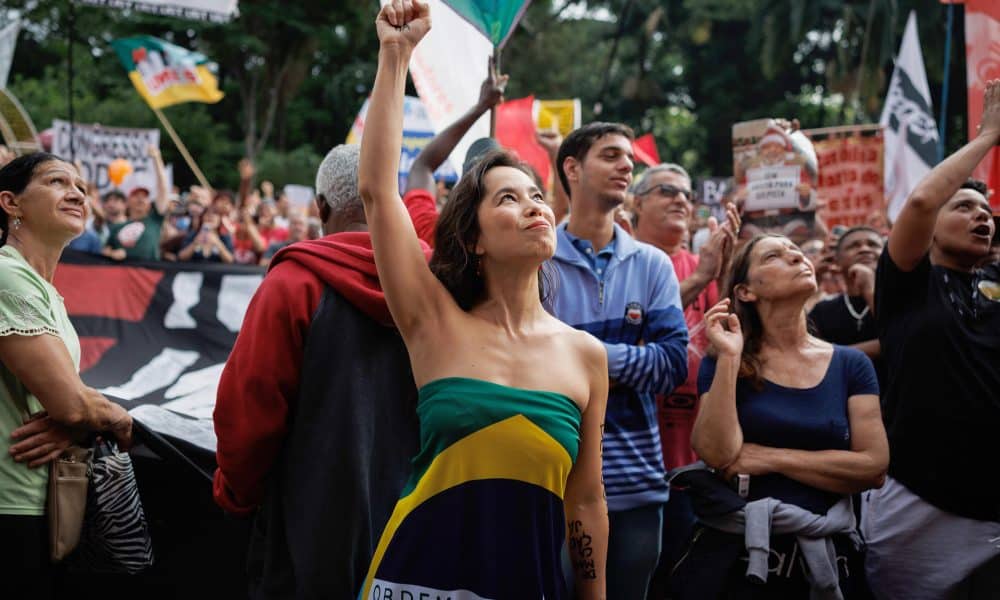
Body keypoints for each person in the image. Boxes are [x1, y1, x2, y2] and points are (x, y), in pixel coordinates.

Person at [355, 3, 609, 598]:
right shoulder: (432, 321)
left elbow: (587, 500)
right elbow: (376, 192)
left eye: (537, 195)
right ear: (472, 238)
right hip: (414, 582)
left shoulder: (586, 356)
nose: (534, 206)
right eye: (508, 199)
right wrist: (396, 55)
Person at [214, 144, 432, 598]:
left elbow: (248, 414)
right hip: (421, 525)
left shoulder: (294, 284)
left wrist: (235, 495)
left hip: (308, 535)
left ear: (322, 206)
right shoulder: (438, 280)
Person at [674, 233, 888, 598]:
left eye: (798, 252)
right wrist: (729, 358)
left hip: (829, 559)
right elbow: (716, 453)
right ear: (745, 291)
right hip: (737, 562)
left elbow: (873, 467)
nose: (796, 257)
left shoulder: (851, 364)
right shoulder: (724, 359)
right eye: (774, 255)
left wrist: (769, 457)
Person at [862, 79, 1000, 600]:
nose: (981, 216)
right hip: (922, 499)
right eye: (963, 207)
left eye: (986, 212)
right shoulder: (909, 283)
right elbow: (920, 201)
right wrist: (987, 137)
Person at [548, 121, 689, 598]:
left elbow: (671, 364)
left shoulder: (652, 264)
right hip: (552, 482)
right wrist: (630, 358)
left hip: (636, 489)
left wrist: (579, 351)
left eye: (629, 158)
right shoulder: (537, 259)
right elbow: (525, 362)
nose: (627, 165)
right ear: (572, 167)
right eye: (610, 155)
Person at [0, 153, 133, 592]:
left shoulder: (46, 293)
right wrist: (117, 418)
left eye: (81, 187)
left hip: (41, 503)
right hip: (9, 507)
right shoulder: (6, 275)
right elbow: (72, 404)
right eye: (57, 182)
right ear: (10, 203)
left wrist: (77, 423)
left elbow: (69, 403)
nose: (77, 193)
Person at [631, 162, 739, 598]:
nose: (681, 199)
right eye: (666, 191)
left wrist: (728, 271)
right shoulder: (623, 261)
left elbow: (731, 341)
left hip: (695, 461)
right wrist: (699, 280)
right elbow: (628, 332)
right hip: (634, 460)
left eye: (687, 194)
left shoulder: (703, 264)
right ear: (635, 203)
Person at [807, 226, 884, 381]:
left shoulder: (906, 298)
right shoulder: (823, 310)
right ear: (837, 261)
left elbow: (902, 340)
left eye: (873, 244)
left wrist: (869, 290)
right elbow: (808, 356)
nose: (864, 249)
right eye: (854, 246)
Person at [103, 146, 170, 261]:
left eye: (145, 197)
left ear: (149, 204)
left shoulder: (154, 220)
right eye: (136, 196)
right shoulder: (117, 227)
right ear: (127, 202)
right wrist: (112, 253)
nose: (140, 199)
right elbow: (105, 250)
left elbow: (163, 189)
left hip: (149, 276)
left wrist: (157, 159)